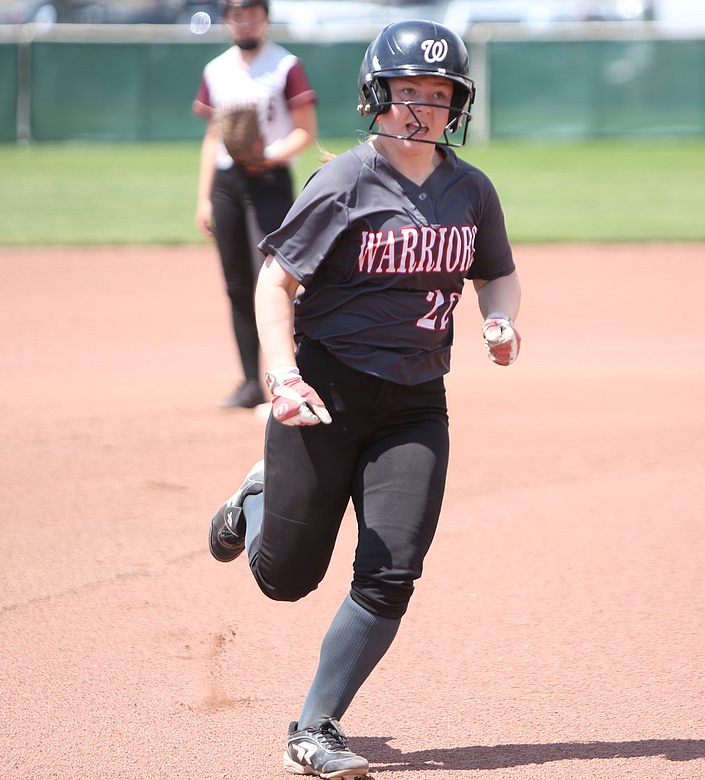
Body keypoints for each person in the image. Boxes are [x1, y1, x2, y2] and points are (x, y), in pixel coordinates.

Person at [206, 19, 522, 778]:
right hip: (325, 392)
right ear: (377, 97)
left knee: (391, 570)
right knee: (286, 578)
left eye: (439, 94)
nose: (423, 108)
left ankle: (315, 728)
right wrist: (280, 376)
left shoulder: (471, 189)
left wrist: (503, 316)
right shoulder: (344, 180)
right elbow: (275, 282)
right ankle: (257, 498)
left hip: (416, 402)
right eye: (408, 91)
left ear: (458, 105)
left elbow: (497, 272)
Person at [193, 0, 319, 409]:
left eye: (251, 13)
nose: (244, 21)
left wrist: (270, 155)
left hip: (269, 178)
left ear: (265, 17)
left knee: (278, 280)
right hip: (228, 183)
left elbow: (306, 132)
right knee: (237, 286)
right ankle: (250, 382)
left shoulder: (285, 66)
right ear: (227, 20)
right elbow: (214, 137)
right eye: (236, 14)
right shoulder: (217, 69)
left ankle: (297, 376)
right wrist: (203, 198)